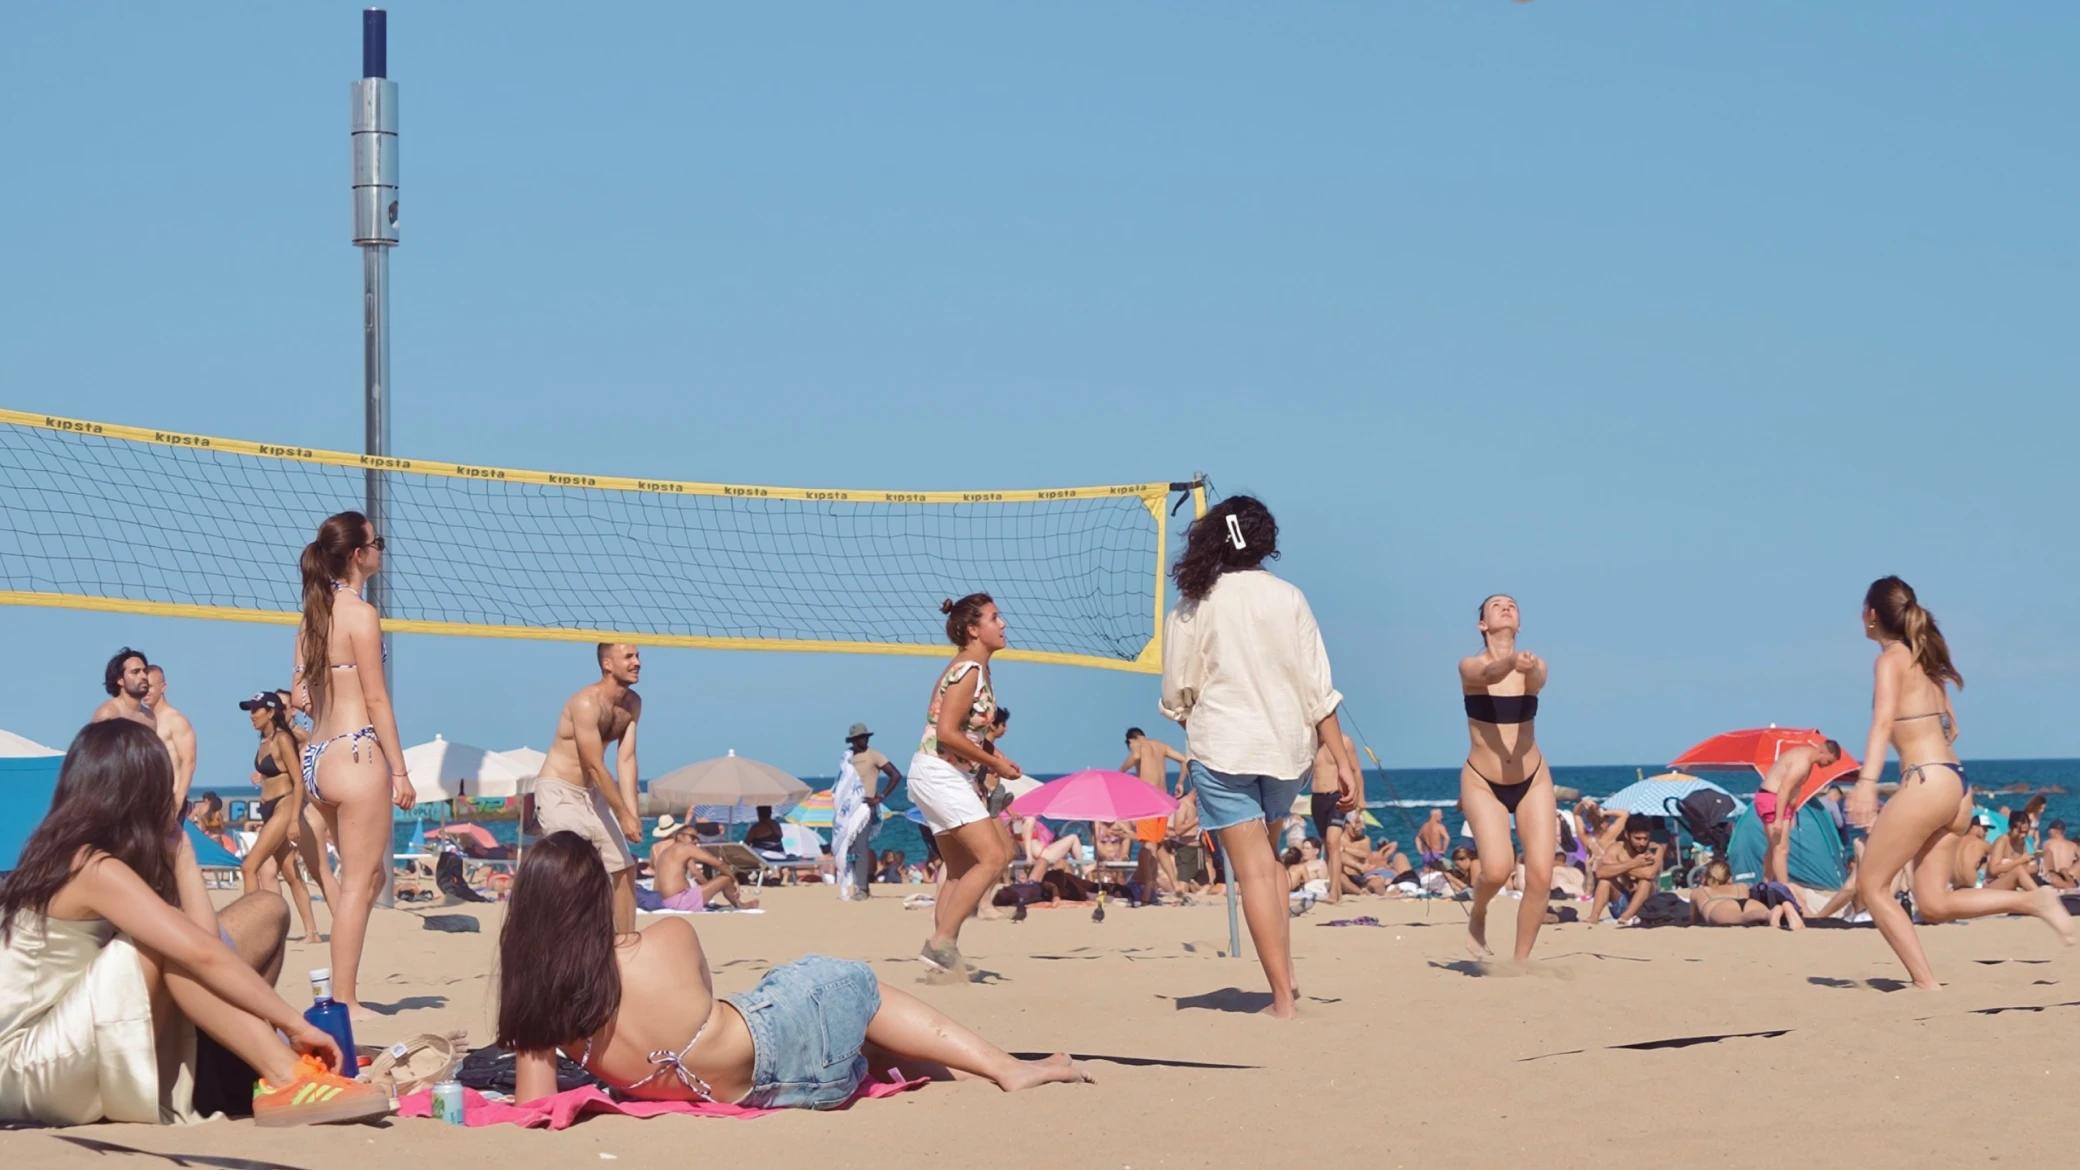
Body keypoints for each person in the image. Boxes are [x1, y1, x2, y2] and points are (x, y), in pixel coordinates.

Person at [497, 832, 1089, 1107]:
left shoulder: (540, 1011)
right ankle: (1006, 1068)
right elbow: (703, 999)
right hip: (781, 1051)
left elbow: (538, 1107)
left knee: (864, 1039)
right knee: (851, 982)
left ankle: (952, 1066)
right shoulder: (666, 935)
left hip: (766, 1093)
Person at [0, 721, 388, 1126]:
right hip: (28, 1068)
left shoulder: (97, 856)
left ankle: (259, 1066)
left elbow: (206, 942)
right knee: (168, 945)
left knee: (264, 910)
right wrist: (293, 1024)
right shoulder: (88, 865)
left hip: (70, 1042)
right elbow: (199, 952)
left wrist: (182, 851)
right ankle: (285, 1076)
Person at [1159, 496, 1359, 1019]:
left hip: (1224, 746)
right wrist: (1341, 760)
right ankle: (1287, 979)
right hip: (1287, 751)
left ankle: (1283, 1000)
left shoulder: (1192, 605)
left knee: (1253, 873)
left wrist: (1191, 721)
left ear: (1212, 540)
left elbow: (1178, 693)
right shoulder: (1289, 597)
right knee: (1268, 867)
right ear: (1265, 541)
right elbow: (1321, 692)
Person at [1844, 577, 2072, 989]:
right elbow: (1952, 729)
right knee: (1933, 903)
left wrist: (1866, 783)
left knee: (1872, 886)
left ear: (1872, 615)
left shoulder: (1891, 659)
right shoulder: (1927, 662)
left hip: (1926, 780)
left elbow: (1880, 724)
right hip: (1957, 784)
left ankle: (1926, 983)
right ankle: (2031, 899)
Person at [292, 511, 414, 1017]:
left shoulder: (313, 614)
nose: (382, 549)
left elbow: (299, 694)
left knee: (366, 884)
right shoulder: (359, 614)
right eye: (377, 542)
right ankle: (343, 997)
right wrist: (401, 770)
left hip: (318, 759)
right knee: (361, 882)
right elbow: (378, 700)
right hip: (356, 751)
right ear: (360, 555)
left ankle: (339, 981)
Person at [906, 594, 1020, 974]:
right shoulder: (968, 669)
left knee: (959, 870)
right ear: (974, 629)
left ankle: (942, 962)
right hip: (939, 772)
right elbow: (947, 733)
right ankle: (941, 943)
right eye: (994, 617)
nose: (1002, 624)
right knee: (995, 856)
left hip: (942, 773)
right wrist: (994, 765)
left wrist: (994, 755)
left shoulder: (977, 670)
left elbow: (965, 732)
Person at [1459, 593, 1558, 962]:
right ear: (1482, 624)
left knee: (1540, 876)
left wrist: (1525, 666)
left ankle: (1520, 963)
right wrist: (1509, 662)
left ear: (1519, 624)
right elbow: (1487, 675)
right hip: (1483, 780)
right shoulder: (1470, 665)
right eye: (1496, 604)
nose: (1506, 607)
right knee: (1498, 869)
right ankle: (1479, 911)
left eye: (1512, 605)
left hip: (1533, 778)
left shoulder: (1534, 665)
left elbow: (1537, 678)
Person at [536, 643, 646, 933]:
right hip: (558, 790)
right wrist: (622, 815)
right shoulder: (585, 703)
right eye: (629, 657)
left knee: (624, 868)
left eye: (638, 656)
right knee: (573, 869)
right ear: (608, 665)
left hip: (592, 794)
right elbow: (596, 766)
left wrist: (632, 814)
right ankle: (563, 941)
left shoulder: (633, 703)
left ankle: (625, 945)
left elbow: (627, 759)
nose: (637, 662)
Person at [236, 692, 323, 942]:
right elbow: (272, 774)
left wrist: (294, 819)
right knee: (290, 872)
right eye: (250, 710)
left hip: (284, 807)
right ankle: (312, 932)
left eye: (256, 710)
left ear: (271, 712)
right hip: (268, 807)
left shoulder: (283, 739)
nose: (252, 715)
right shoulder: (263, 740)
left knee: (249, 866)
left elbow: (298, 782)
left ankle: (250, 931)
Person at [1755, 740, 1843, 886]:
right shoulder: (1802, 763)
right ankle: (1784, 889)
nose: (1828, 765)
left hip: (1780, 802)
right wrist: (1778, 818)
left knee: (1774, 847)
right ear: (1823, 751)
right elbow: (1784, 789)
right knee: (1781, 848)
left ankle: (1766, 882)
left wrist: (1792, 813)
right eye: (1829, 761)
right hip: (1772, 799)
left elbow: (1795, 789)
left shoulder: (1806, 757)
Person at [835, 723, 902, 901]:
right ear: (853, 740)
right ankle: (856, 884)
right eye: (860, 738)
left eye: (865, 737)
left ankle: (862, 889)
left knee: (860, 848)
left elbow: (895, 775)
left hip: (864, 809)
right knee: (847, 848)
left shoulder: (873, 755)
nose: (863, 740)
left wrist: (880, 797)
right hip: (848, 811)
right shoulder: (847, 758)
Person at [1121, 728, 1190, 899]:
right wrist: (1180, 782)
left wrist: (1120, 772)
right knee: (1158, 845)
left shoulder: (1139, 746)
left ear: (1131, 740)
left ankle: (1148, 887)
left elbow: (1136, 757)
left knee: (1148, 845)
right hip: (1162, 800)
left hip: (1148, 800)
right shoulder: (1161, 746)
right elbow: (1185, 760)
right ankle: (1175, 886)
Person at [649, 827, 758, 911]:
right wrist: (734, 880)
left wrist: (709, 886)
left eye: (697, 838)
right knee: (725, 878)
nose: (696, 841)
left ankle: (734, 900)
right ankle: (739, 904)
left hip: (661, 901)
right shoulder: (686, 848)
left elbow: (695, 871)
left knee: (714, 882)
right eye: (692, 837)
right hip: (678, 901)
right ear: (679, 836)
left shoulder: (668, 851)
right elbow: (719, 864)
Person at [1308, 732, 1360, 904]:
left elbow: (1355, 770)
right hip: (1317, 798)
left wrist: (1361, 799)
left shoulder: (1343, 742)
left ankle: (1334, 893)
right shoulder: (1311, 742)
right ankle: (1336, 890)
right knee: (1327, 845)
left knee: (1333, 842)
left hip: (1337, 797)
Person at [1688, 860, 1806, 929]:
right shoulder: (1742, 886)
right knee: (1752, 915)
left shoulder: (1699, 892)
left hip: (1720, 906)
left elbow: (1694, 920)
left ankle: (1770, 914)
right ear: (1729, 876)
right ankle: (1782, 911)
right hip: (1749, 903)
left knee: (1741, 918)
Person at [140, 665, 198, 806]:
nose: (146, 691)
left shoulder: (175, 720)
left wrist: (178, 802)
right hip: (147, 802)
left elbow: (189, 762)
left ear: (163, 687)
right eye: (143, 687)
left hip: (169, 800)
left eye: (151, 686)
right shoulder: (143, 719)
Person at [1589, 821, 1661, 925]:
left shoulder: (1654, 849)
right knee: (1605, 881)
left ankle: (1626, 917)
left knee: (1646, 882)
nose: (1642, 843)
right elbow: (1600, 872)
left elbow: (1649, 874)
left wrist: (1619, 866)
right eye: (1637, 838)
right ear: (1627, 835)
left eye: (1645, 838)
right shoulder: (1616, 848)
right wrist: (1633, 863)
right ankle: (1593, 917)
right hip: (1621, 901)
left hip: (1644, 907)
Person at [91, 647, 156, 731]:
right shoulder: (108, 714)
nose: (143, 676)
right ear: (120, 680)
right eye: (135, 672)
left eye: (145, 672)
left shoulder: (150, 718)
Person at [1985, 815, 2039, 891]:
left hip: (2010, 883)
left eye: (2025, 832)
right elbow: (1993, 870)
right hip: (1992, 884)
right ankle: (2038, 895)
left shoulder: (2021, 842)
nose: (2023, 835)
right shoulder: (2002, 841)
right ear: (2010, 828)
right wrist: (2020, 860)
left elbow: (2020, 866)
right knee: (2018, 871)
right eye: (2020, 832)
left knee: (2035, 869)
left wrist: (2031, 866)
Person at [2041, 821, 2080, 890]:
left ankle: (2066, 880)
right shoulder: (2073, 845)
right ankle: (2068, 877)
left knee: (2047, 857)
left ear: (2053, 831)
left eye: (2049, 831)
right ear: (2064, 832)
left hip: (2055, 876)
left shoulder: (2047, 843)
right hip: (2070, 874)